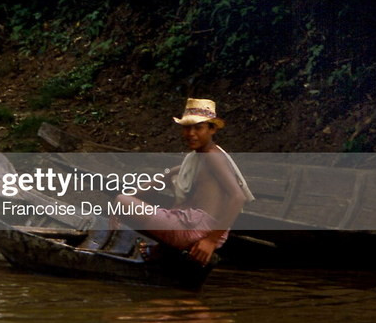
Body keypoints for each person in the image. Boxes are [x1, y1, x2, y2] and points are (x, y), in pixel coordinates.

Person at [81, 98, 253, 264]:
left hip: (198, 229)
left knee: (121, 201)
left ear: (212, 130)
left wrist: (210, 241)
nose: (191, 134)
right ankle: (164, 251)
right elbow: (164, 177)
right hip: (194, 225)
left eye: (198, 128)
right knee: (128, 200)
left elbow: (238, 197)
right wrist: (130, 198)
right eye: (187, 128)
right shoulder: (198, 157)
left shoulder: (212, 157)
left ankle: (166, 250)